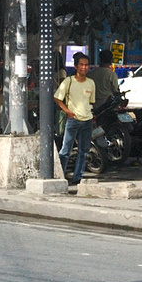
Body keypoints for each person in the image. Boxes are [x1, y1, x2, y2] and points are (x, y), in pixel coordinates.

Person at [54, 52, 95, 185]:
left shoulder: (91, 83)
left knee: (83, 151)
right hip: (73, 121)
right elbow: (57, 98)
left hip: (87, 120)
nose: (84, 67)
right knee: (66, 150)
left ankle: (78, 177)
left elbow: (91, 101)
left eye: (86, 65)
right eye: (81, 65)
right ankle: (60, 175)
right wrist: (67, 111)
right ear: (76, 66)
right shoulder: (69, 81)